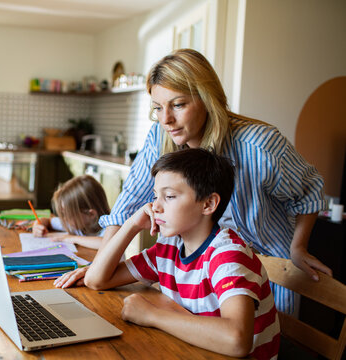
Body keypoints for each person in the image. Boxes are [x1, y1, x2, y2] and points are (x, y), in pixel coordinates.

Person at [54, 48, 331, 315]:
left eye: (178, 105)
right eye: (158, 108)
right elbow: (127, 204)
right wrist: (101, 263)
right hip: (197, 273)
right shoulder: (160, 136)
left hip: (268, 274)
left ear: (207, 98)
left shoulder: (259, 145)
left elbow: (309, 191)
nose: (166, 119)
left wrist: (298, 247)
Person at [84, 148, 280, 359]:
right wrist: (132, 224)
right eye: (155, 196)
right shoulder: (168, 248)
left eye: (169, 196)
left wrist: (152, 315)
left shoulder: (228, 255)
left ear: (208, 204)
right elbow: (96, 280)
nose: (154, 206)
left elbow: (237, 340)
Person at [32, 175, 109, 249]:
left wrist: (72, 238)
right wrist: (38, 225)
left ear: (91, 214)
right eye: (64, 214)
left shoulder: (110, 228)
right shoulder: (74, 223)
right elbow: (47, 221)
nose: (65, 219)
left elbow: (107, 243)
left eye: (68, 214)